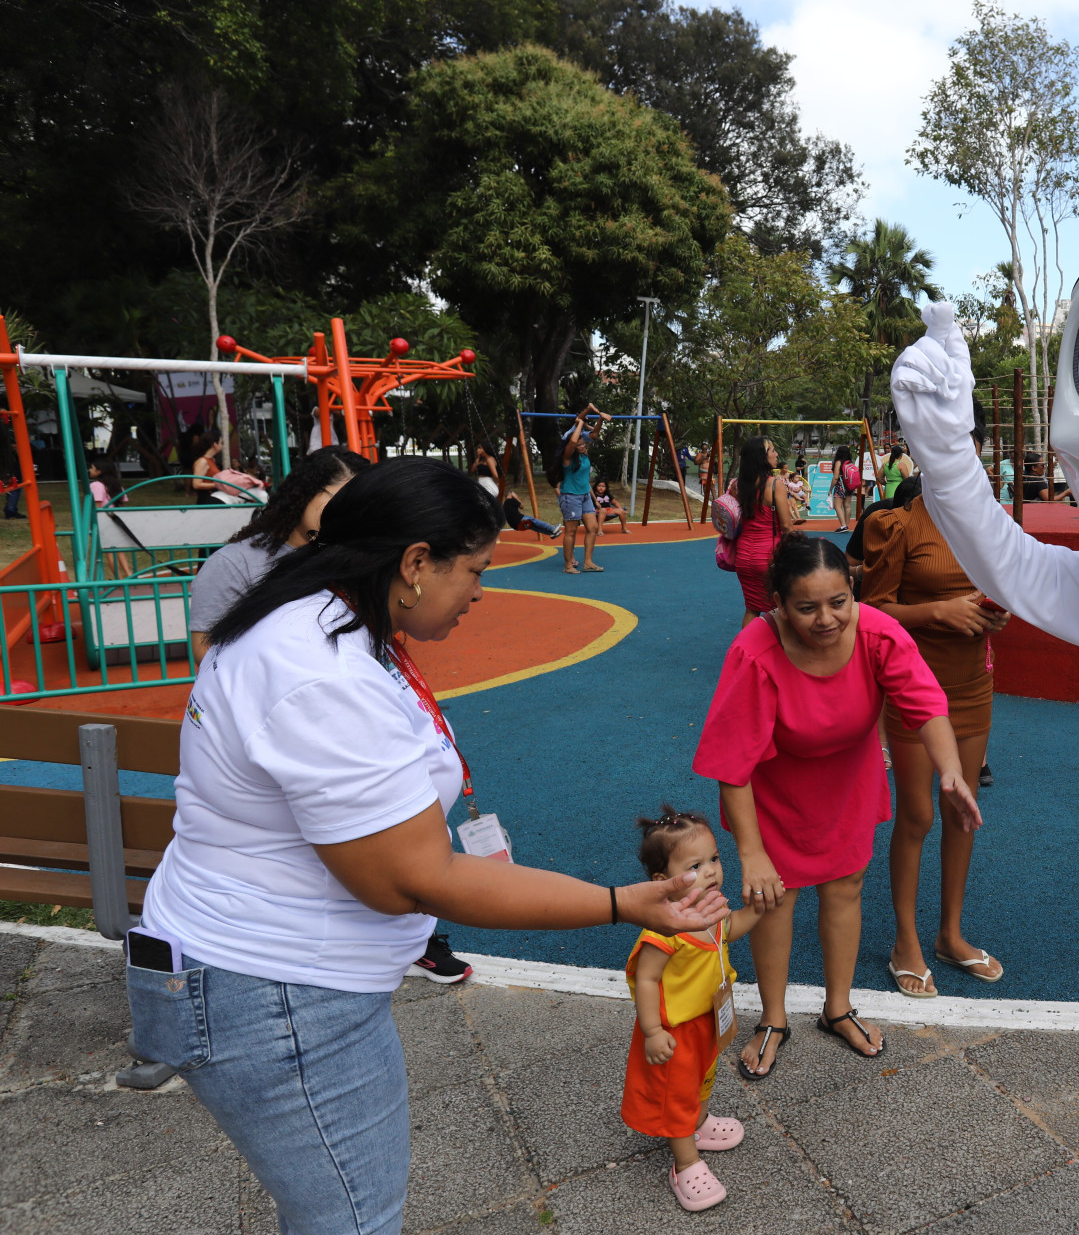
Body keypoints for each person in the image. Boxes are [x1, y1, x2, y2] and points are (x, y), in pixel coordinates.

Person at [130, 456, 730, 1232]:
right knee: (353, 1219)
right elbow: (409, 881)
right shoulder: (323, 675)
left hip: (260, 975)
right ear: (415, 563)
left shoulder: (316, 621)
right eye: (473, 570)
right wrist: (620, 903)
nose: (480, 591)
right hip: (277, 992)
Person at [691, 534, 974, 1078]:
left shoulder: (877, 631)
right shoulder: (754, 651)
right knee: (775, 896)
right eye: (806, 607)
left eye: (838, 601)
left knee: (845, 887)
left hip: (847, 780)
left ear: (853, 590)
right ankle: (773, 1018)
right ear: (777, 603)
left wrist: (950, 771)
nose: (826, 619)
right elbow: (732, 765)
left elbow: (925, 703)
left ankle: (837, 1007)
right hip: (775, 790)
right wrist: (750, 854)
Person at [862, 411, 1010, 998]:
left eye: (971, 455)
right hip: (915, 688)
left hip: (973, 684)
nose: (964, 465)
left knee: (960, 810)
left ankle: (950, 934)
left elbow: (1006, 592)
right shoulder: (898, 525)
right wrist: (937, 612)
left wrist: (993, 613)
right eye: (951, 454)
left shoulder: (986, 525)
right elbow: (872, 611)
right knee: (918, 816)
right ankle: (906, 939)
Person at [623, 808, 763, 1212]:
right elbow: (647, 979)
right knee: (676, 1096)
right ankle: (685, 1162)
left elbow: (731, 928)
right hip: (674, 1030)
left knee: (702, 1080)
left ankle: (699, 1125)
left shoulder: (710, 909)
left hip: (705, 1021)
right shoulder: (664, 928)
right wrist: (652, 1031)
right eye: (695, 866)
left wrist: (759, 906)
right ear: (662, 882)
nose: (711, 871)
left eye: (714, 860)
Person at [188, 447, 370, 661]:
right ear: (307, 491)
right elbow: (206, 651)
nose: (347, 514)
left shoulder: (355, 561)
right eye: (340, 500)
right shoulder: (233, 563)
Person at [730, 436, 797, 627]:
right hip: (769, 556)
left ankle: (747, 649)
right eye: (772, 451)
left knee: (752, 607)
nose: (776, 454)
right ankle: (776, 651)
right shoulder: (775, 485)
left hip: (743, 555)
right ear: (762, 456)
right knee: (778, 609)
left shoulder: (737, 485)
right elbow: (786, 526)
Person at [556, 405, 605, 574]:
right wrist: (578, 423)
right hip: (571, 497)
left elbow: (595, 435)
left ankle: (588, 562)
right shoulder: (567, 458)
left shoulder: (584, 456)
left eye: (584, 444)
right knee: (571, 531)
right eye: (581, 444)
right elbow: (571, 441)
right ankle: (568, 565)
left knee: (592, 528)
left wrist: (600, 420)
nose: (584, 446)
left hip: (584, 496)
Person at [830, 446, 860, 532]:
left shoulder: (838, 462)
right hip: (849, 486)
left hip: (840, 485)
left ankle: (843, 525)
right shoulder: (849, 462)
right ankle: (846, 525)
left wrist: (830, 489)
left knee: (837, 506)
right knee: (847, 506)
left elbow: (835, 477)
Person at [190, 432, 223, 504]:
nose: (222, 446)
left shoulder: (212, 460)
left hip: (213, 497)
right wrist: (217, 485)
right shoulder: (202, 462)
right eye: (221, 443)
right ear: (215, 444)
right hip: (206, 500)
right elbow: (196, 484)